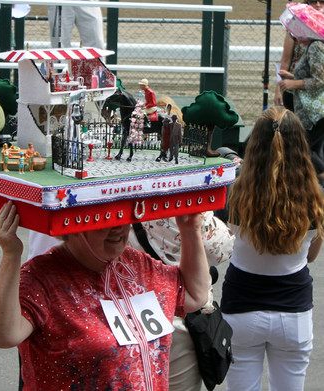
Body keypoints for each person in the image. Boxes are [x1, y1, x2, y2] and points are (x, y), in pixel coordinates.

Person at [0, 201, 210, 390]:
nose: (118, 228)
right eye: (104, 219)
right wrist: (11, 255)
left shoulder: (136, 263)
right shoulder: (42, 277)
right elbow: (0, 335)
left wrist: (190, 229)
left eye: (123, 216)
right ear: (72, 224)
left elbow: (193, 296)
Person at [221, 106, 324, 391]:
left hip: (240, 311)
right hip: (294, 314)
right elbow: (311, 256)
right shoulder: (316, 197)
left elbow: (226, 242)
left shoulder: (235, 190)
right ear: (300, 145)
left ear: (254, 145)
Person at [128, 212, 234, 391]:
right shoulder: (183, 200)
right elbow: (220, 249)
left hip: (125, 307)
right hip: (174, 315)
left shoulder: (111, 196)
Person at [278, 2, 324, 184]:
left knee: (306, 150)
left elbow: (320, 80)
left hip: (315, 113)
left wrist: (292, 83)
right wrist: (289, 75)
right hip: (313, 112)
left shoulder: (315, 48)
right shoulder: (312, 47)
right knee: (311, 150)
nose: (295, 37)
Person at [274, 0, 323, 110]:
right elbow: (285, 61)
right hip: (293, 89)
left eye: (322, 2)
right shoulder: (295, 28)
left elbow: (320, 79)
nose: (318, 5)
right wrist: (278, 90)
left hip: (318, 94)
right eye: (314, 1)